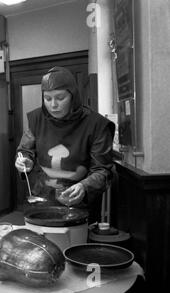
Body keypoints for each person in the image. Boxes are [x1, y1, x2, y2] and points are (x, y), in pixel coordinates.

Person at [15, 66, 115, 221]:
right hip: (42, 198)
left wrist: (84, 186)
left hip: (79, 201)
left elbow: (102, 170)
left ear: (73, 96)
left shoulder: (96, 124)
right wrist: (24, 160)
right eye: (47, 99)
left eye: (60, 98)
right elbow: (25, 150)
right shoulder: (37, 119)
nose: (53, 105)